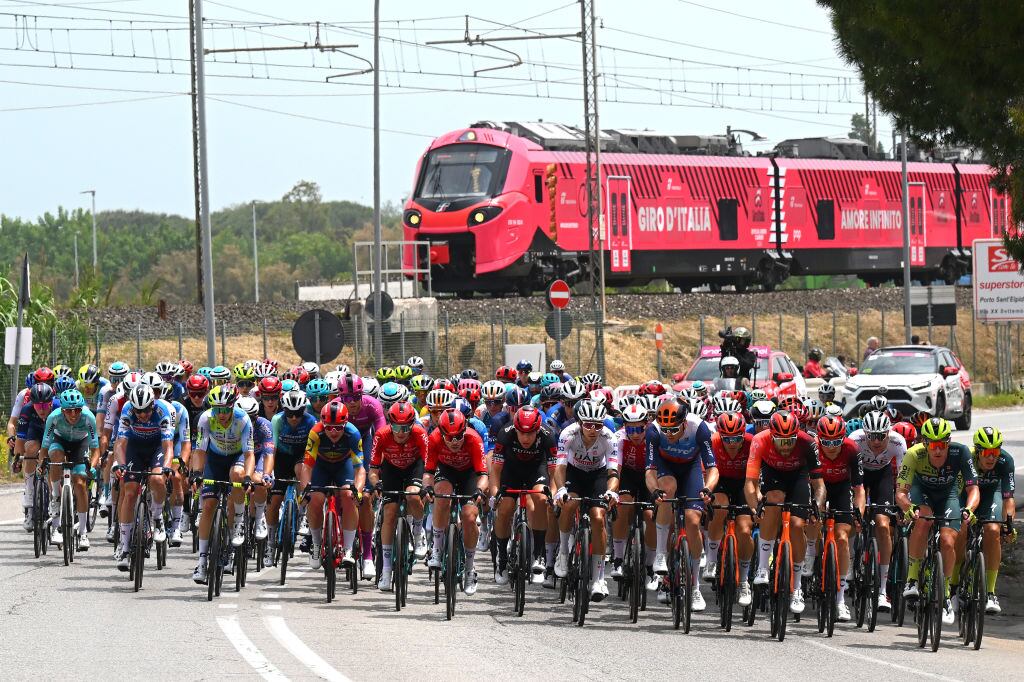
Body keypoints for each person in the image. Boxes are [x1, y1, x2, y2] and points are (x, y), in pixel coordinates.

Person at [896, 417, 979, 625]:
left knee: (948, 541)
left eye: (942, 444)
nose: (938, 450)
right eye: (933, 445)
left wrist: (969, 509)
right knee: (923, 520)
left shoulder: (961, 453)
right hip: (921, 492)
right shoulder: (914, 454)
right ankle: (912, 580)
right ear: (925, 443)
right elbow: (901, 492)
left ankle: (946, 592)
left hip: (948, 494)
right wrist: (908, 508)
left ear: (948, 442)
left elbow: (973, 488)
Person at [744, 410, 823, 615]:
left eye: (790, 441)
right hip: (772, 472)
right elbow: (750, 483)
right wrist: (755, 507)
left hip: (799, 475)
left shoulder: (807, 442)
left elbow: (819, 484)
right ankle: (762, 567)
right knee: (774, 500)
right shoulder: (760, 440)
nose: (786, 446)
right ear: (772, 435)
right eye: (781, 441)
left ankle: (796, 588)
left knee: (798, 525)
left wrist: (817, 504)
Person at [646, 400, 716, 612]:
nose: (669, 434)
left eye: (674, 429)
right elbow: (649, 470)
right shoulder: (654, 431)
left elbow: (712, 467)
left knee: (693, 521)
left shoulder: (700, 428)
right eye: (665, 429)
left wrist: (709, 489)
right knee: (667, 489)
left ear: (684, 423)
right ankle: (660, 554)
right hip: (666, 467)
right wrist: (654, 491)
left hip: (691, 468)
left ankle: (694, 587)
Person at [553, 400, 622, 601]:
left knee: (599, 517)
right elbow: (560, 467)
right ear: (580, 422)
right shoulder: (568, 434)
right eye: (588, 424)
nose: (593, 429)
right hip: (574, 472)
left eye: (598, 425)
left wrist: (611, 491)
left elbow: (613, 471)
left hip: (598, 475)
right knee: (569, 504)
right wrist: (561, 489)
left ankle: (599, 577)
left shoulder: (609, 437)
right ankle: (564, 552)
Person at [190, 385, 255, 583]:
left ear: (233, 406)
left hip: (236, 458)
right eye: (217, 409)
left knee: (237, 474)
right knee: (209, 505)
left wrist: (248, 477)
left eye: (225, 409)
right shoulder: (205, 418)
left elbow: (249, 454)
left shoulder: (243, 420)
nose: (221, 414)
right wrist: (197, 473)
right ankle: (202, 561)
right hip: (215, 460)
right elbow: (200, 450)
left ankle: (237, 521)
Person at [490, 406, 558, 588]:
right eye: (522, 433)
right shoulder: (505, 433)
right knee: (505, 507)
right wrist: (495, 493)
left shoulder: (548, 435)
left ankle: (539, 555)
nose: (526, 438)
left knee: (542, 499)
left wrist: (552, 493)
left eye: (530, 434)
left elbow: (554, 471)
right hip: (511, 471)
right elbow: (495, 469)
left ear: (538, 430)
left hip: (536, 469)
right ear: (516, 429)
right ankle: (502, 557)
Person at [423, 410, 488, 596]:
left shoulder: (474, 439)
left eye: (459, 436)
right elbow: (428, 472)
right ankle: (436, 548)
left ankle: (469, 568)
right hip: (446, 471)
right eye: (449, 437)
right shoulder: (434, 438)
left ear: (465, 430)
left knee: (468, 517)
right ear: (441, 433)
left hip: (469, 474)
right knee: (441, 496)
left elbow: (483, 475)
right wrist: (428, 487)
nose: (454, 442)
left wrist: (479, 491)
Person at [953, 427, 1015, 615]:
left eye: (995, 452)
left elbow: (1008, 498)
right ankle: (954, 588)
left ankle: (990, 592)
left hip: (991, 495)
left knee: (993, 530)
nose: (991, 457)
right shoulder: (967, 458)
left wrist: (1009, 524)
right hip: (965, 495)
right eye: (987, 453)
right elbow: (954, 491)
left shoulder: (1006, 461)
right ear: (978, 451)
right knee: (962, 528)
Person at [114, 384, 175, 572]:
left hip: (157, 447)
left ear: (153, 404)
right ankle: (124, 547)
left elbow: (168, 446)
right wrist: (120, 464)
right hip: (135, 448)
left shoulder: (162, 410)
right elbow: (120, 443)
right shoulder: (127, 410)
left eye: (147, 410)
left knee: (157, 479)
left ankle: (157, 518)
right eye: (138, 411)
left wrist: (166, 467)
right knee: (130, 491)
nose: (143, 415)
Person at [368, 401, 429, 591]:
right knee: (390, 512)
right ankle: (386, 571)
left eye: (405, 427)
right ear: (389, 424)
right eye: (395, 427)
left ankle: (418, 535)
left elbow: (429, 465)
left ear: (412, 424)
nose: (400, 432)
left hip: (414, 468)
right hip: (391, 470)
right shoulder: (382, 435)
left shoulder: (420, 433)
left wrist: (427, 486)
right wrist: (376, 483)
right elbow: (373, 469)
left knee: (412, 496)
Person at [812, 415, 865, 622]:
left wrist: (858, 512)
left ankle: (840, 600)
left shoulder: (852, 449)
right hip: (817, 485)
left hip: (842, 488)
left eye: (836, 442)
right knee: (813, 522)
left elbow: (859, 489)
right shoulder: (813, 448)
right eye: (827, 442)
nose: (831, 447)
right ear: (819, 439)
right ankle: (810, 554)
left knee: (842, 537)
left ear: (843, 438)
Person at [303, 401, 364, 569]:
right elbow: (307, 466)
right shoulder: (315, 432)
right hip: (321, 467)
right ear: (323, 424)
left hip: (343, 466)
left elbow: (360, 469)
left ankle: (348, 549)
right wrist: (305, 491)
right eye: (329, 427)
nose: (334, 431)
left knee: (348, 496)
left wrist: (358, 491)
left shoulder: (353, 433)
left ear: (345, 424)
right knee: (315, 498)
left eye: (338, 427)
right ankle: (316, 544)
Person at [704, 411, 755, 607]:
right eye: (727, 438)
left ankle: (743, 581)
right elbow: (707, 470)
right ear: (720, 435)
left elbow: (757, 474)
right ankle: (711, 560)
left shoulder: (751, 443)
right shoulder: (713, 442)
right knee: (720, 509)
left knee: (744, 529)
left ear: (744, 433)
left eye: (736, 438)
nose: (732, 442)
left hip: (745, 482)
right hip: (721, 481)